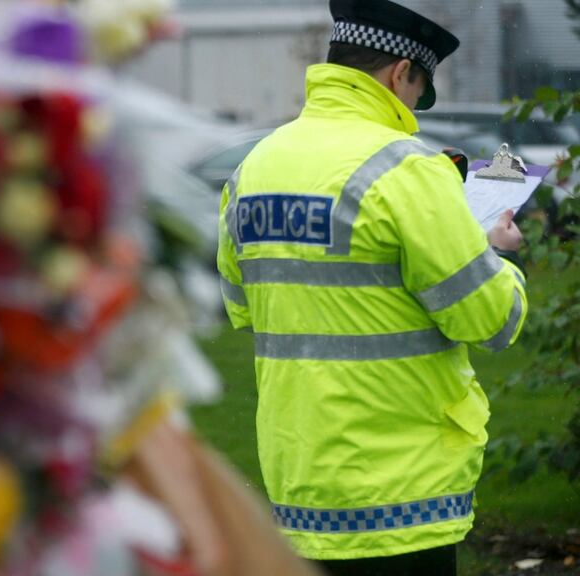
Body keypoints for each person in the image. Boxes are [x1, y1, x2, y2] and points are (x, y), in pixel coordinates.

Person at [216, 1, 528, 574]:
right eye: (419, 88)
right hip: (404, 497)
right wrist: (493, 253)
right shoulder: (407, 170)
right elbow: (491, 321)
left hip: (301, 486)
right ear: (400, 72)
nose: (413, 106)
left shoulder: (255, 168)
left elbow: (242, 305)